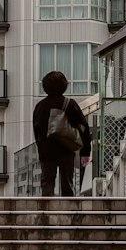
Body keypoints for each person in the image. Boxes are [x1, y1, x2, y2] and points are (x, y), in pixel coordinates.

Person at [32, 68, 89, 196]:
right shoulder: (69, 104)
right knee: (68, 183)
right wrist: (85, 151)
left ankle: (47, 207)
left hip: (47, 151)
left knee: (47, 183)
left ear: (45, 87)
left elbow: (37, 129)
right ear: (64, 85)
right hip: (66, 148)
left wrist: (42, 148)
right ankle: (68, 207)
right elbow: (83, 127)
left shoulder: (40, 106)